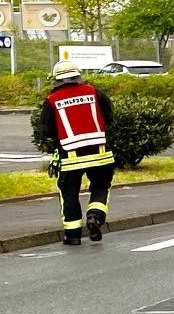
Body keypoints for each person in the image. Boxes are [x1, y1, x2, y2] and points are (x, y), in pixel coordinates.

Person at [39, 61, 116, 245]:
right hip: (100, 153)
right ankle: (95, 216)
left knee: (69, 193)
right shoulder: (94, 92)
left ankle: (72, 235)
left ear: (57, 79)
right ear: (77, 76)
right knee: (100, 186)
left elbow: (46, 130)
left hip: (70, 156)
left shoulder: (52, 100)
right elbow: (109, 117)